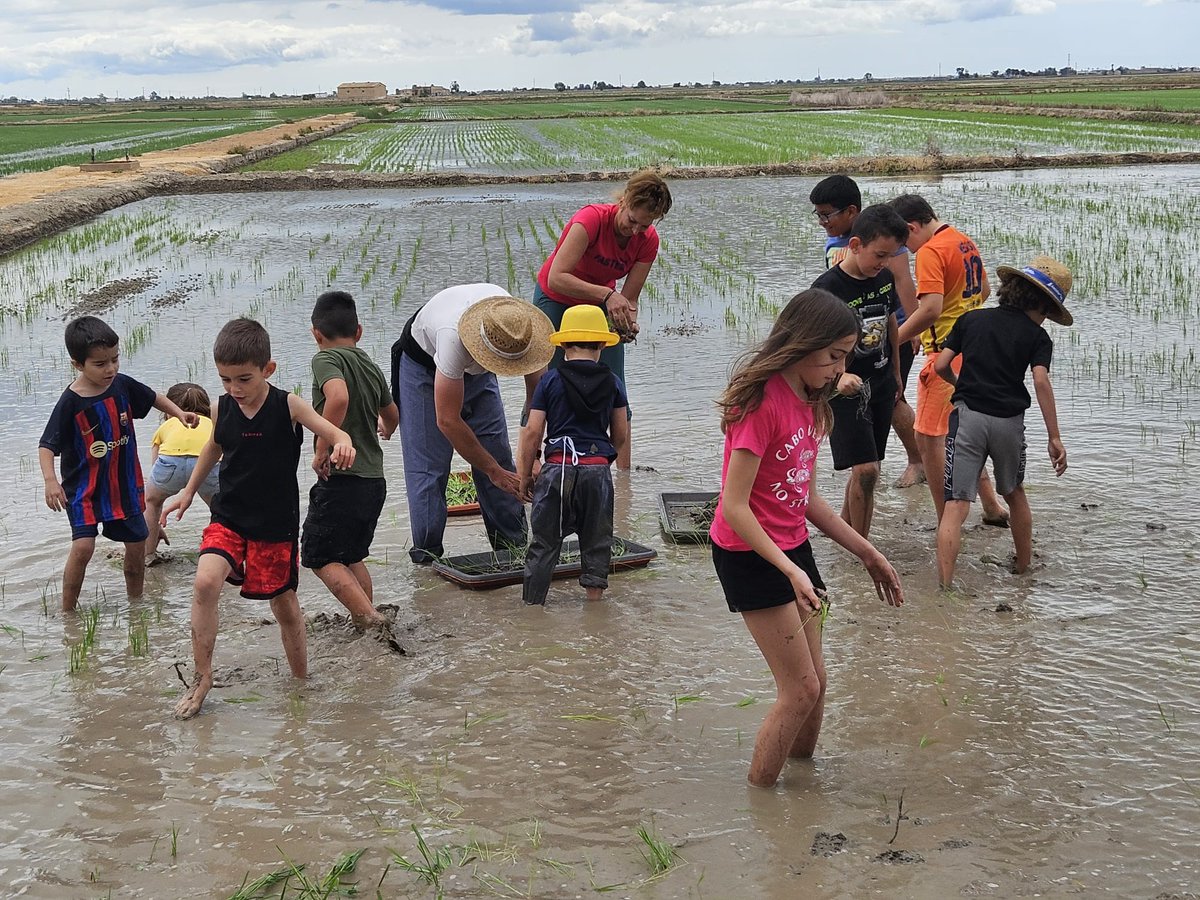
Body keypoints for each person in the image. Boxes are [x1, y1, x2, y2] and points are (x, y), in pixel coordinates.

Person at [709, 289, 904, 789]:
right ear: (803, 343)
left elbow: (805, 500)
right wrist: (789, 569)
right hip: (748, 551)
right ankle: (762, 800)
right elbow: (734, 506)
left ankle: (801, 789)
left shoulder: (811, 402)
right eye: (834, 357)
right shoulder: (761, 403)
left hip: (791, 545)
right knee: (798, 689)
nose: (840, 370)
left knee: (816, 685)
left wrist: (868, 552)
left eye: (845, 358)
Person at [163, 318, 356, 720]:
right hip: (229, 516)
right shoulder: (221, 407)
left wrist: (343, 444)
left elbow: (334, 432)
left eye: (244, 379)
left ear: (268, 370)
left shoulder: (289, 405)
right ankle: (202, 678)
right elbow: (212, 451)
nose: (235, 389)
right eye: (225, 379)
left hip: (274, 524)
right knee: (204, 581)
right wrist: (185, 491)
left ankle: (301, 682)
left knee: (283, 605)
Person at [38, 316, 198, 611]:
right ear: (78, 364)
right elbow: (47, 445)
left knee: (136, 545)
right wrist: (50, 481)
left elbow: (153, 398)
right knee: (84, 547)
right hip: (83, 489)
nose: (110, 368)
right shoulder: (71, 402)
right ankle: (67, 611)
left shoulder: (121, 386)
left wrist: (178, 413)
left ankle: (136, 605)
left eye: (115, 359)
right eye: (100, 364)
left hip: (124, 487)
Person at [934, 256, 1072, 588]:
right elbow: (1040, 382)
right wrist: (1055, 437)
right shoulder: (1038, 338)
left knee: (957, 503)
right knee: (1013, 492)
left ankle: (945, 586)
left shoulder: (971, 320)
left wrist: (961, 385)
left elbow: (940, 365)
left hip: (968, 418)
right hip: (1009, 423)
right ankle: (1024, 568)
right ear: (1043, 306)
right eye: (1046, 314)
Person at [391, 284, 554, 564]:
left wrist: (534, 458)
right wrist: (492, 471)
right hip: (424, 366)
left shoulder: (521, 332)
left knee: (501, 457)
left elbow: (536, 405)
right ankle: (428, 560)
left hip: (477, 369)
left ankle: (513, 553)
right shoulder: (452, 337)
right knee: (429, 470)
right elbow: (448, 421)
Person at [534, 169, 672, 469]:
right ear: (623, 201)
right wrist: (608, 297)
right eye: (632, 221)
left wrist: (628, 322)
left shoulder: (647, 240)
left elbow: (630, 298)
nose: (635, 230)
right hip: (557, 299)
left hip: (600, 306)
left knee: (614, 382)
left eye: (644, 225)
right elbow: (558, 277)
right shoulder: (591, 220)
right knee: (547, 382)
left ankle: (622, 478)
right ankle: (534, 466)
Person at [889, 193, 1009, 525]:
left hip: (944, 357)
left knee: (927, 440)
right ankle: (992, 507)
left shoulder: (929, 251)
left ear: (912, 227)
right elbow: (984, 290)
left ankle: (947, 521)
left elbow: (930, 309)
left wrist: (892, 339)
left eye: (904, 242)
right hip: (974, 351)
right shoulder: (962, 240)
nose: (907, 251)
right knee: (960, 433)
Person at [810, 175, 924, 488]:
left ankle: (918, 461)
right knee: (870, 402)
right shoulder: (838, 241)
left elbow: (902, 281)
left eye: (826, 214)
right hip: (851, 331)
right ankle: (874, 464)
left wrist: (913, 327)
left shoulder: (882, 238)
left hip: (888, 330)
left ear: (851, 211)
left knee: (893, 399)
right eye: (817, 214)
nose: (822, 221)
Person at [516, 305, 629, 606]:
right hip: (596, 470)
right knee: (596, 543)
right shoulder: (613, 383)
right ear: (602, 344)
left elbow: (532, 431)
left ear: (564, 344)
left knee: (543, 545)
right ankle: (594, 606)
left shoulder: (550, 381)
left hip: (557, 470)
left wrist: (525, 475)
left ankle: (533, 609)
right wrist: (605, 460)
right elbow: (620, 433)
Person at [810, 204, 909, 538]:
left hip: (880, 382)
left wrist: (896, 372)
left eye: (890, 256)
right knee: (866, 470)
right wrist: (838, 377)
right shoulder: (827, 288)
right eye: (879, 254)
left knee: (868, 467)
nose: (883, 263)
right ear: (855, 245)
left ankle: (842, 527)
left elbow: (891, 320)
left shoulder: (882, 278)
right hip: (843, 389)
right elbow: (811, 345)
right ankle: (861, 549)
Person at [302, 291, 399, 629]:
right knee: (351, 556)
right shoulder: (369, 365)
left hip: (344, 478)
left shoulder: (325, 359)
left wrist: (321, 447)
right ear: (359, 331)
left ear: (316, 333)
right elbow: (391, 414)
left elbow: (338, 396)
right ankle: (366, 621)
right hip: (374, 480)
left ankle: (371, 620)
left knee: (319, 555)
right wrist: (384, 429)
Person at [144, 382, 220, 564]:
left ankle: (148, 554)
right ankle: (215, 552)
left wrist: (153, 523)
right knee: (220, 510)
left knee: (152, 502)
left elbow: (156, 463)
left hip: (169, 463)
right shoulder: (212, 424)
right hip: (207, 465)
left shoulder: (168, 425)